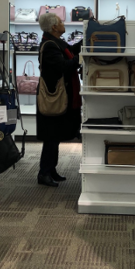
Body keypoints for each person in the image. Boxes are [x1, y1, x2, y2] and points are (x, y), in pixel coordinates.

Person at [36, 12, 82, 187]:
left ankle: (50, 170)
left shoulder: (56, 43)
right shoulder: (50, 46)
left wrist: (83, 44)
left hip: (58, 95)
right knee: (51, 136)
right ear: (54, 27)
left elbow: (70, 52)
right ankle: (44, 173)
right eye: (61, 21)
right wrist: (81, 57)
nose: (63, 23)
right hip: (53, 96)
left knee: (54, 136)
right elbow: (64, 66)